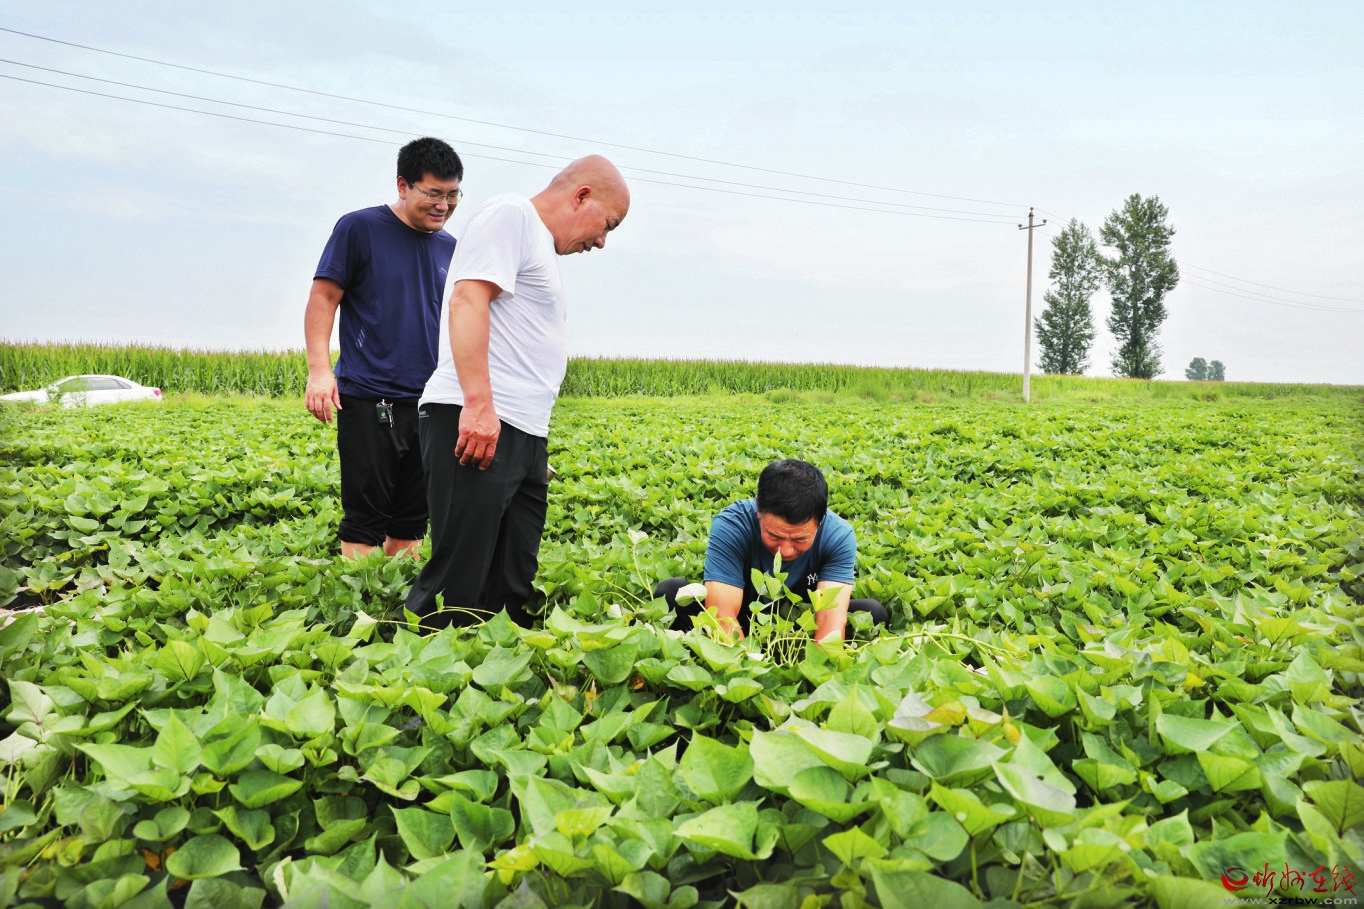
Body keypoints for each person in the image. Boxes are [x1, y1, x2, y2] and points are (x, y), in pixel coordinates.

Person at [405, 155, 630, 628]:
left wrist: (529, 441)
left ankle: (495, 665)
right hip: (480, 419)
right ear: (582, 196)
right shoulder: (512, 215)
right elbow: (469, 298)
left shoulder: (539, 247)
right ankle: (422, 663)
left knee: (512, 580)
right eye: (607, 225)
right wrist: (479, 406)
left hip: (521, 432)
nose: (602, 242)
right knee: (459, 579)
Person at [303, 138, 464, 559]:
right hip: (370, 395)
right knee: (365, 519)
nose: (443, 206)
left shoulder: (452, 249)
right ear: (403, 185)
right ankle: (360, 595)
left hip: (431, 402)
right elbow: (324, 298)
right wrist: (320, 371)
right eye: (433, 194)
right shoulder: (360, 229)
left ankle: (397, 598)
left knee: (412, 521)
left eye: (452, 195)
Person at [654, 459, 887, 642]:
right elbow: (723, 615)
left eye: (800, 539)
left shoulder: (838, 535)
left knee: (872, 613)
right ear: (759, 508)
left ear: (820, 520)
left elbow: (829, 620)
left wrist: (819, 677)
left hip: (801, 623)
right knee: (671, 592)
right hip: (745, 615)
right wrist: (745, 672)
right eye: (774, 535)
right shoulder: (733, 524)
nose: (785, 550)